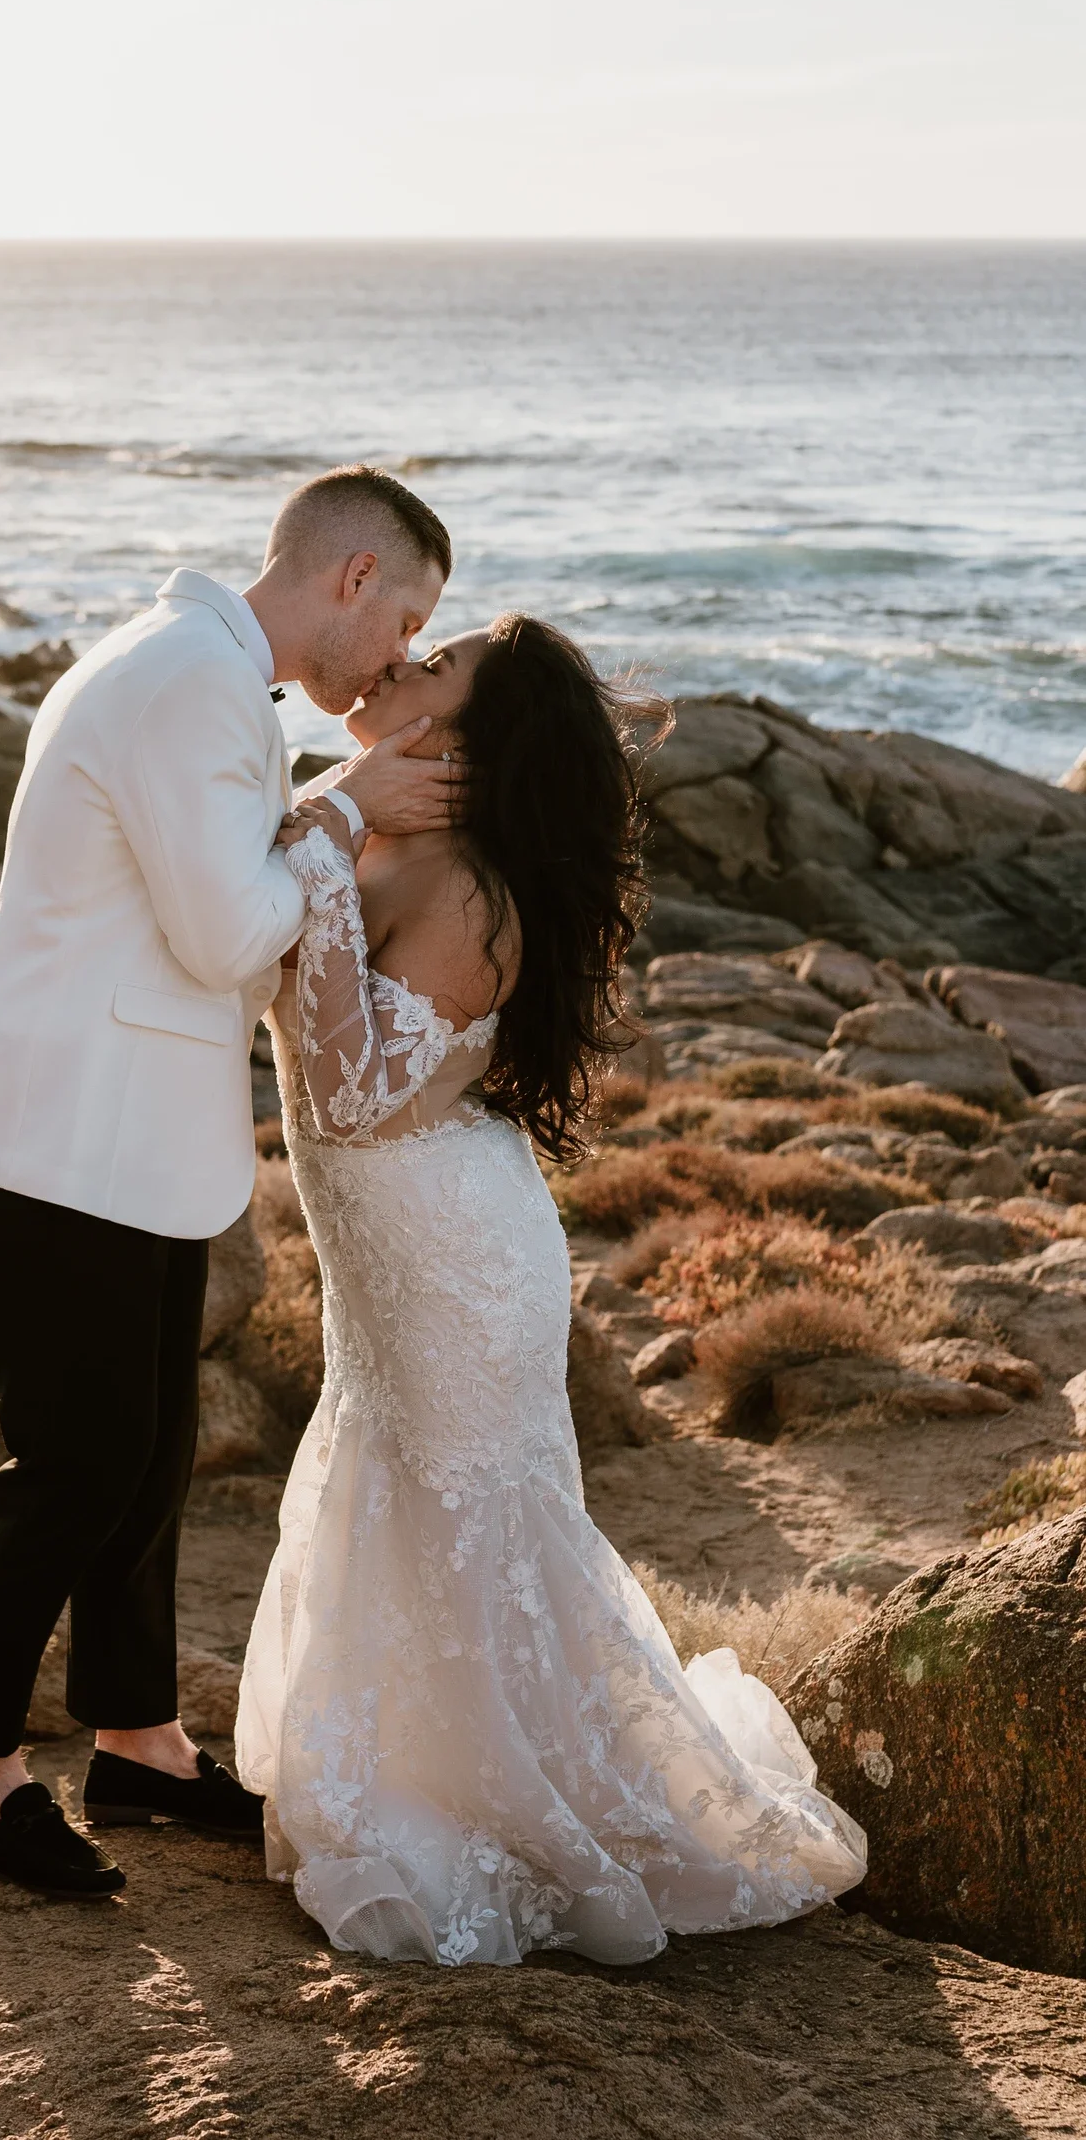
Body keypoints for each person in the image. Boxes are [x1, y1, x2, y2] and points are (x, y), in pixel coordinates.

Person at [236, 613, 867, 1966]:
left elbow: (348, 1097)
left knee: (471, 1515)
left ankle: (526, 1805)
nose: (396, 667)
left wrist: (323, 846)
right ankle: (415, 1766)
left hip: (451, 1255)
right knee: (398, 1488)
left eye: (433, 665)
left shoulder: (465, 882)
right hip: (390, 1255)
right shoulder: (376, 831)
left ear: (473, 736)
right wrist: (332, 822)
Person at [0, 465, 456, 1898]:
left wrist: (319, 810)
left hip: (125, 1138)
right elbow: (229, 936)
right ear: (351, 579)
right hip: (59, 1145)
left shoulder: (192, 664)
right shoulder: (190, 684)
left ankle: (138, 1743)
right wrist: (344, 809)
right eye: (403, 615)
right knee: (79, 1463)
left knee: (144, 1456)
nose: (399, 654)